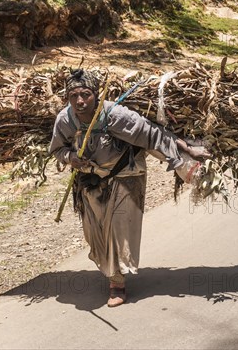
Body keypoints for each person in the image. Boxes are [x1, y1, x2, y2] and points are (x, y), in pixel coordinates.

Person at [49, 69, 208, 307]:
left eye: (85, 94)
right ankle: (111, 270)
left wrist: (188, 148)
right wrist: (71, 157)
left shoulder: (115, 115)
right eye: (73, 96)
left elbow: (153, 135)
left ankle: (117, 284)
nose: (80, 101)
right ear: (67, 98)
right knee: (95, 234)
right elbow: (56, 149)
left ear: (96, 94)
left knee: (118, 229)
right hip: (89, 181)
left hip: (126, 176)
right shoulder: (65, 120)